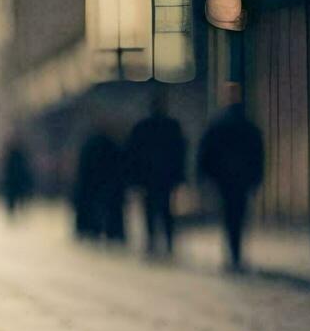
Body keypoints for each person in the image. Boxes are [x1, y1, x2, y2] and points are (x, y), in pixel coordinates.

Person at [197, 86, 264, 271]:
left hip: (225, 180)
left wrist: (206, 175)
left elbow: (206, 152)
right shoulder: (247, 125)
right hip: (240, 180)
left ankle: (233, 253)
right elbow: (257, 154)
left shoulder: (219, 125)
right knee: (239, 215)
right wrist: (256, 177)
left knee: (229, 216)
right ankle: (236, 253)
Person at [124, 90, 187, 254]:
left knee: (153, 210)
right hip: (164, 177)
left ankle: (154, 240)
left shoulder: (143, 127)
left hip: (150, 178)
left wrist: (134, 178)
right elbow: (179, 152)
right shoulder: (171, 127)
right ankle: (166, 242)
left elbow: (133, 154)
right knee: (165, 209)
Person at [73, 129, 126, 243]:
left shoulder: (90, 145)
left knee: (95, 206)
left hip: (95, 183)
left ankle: (93, 230)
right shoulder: (112, 145)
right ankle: (112, 232)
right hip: (108, 183)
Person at [1, 138, 34, 217]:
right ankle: (13, 213)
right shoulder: (17, 155)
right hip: (15, 182)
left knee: (14, 198)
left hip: (14, 182)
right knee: (14, 198)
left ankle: (13, 213)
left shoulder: (13, 155)